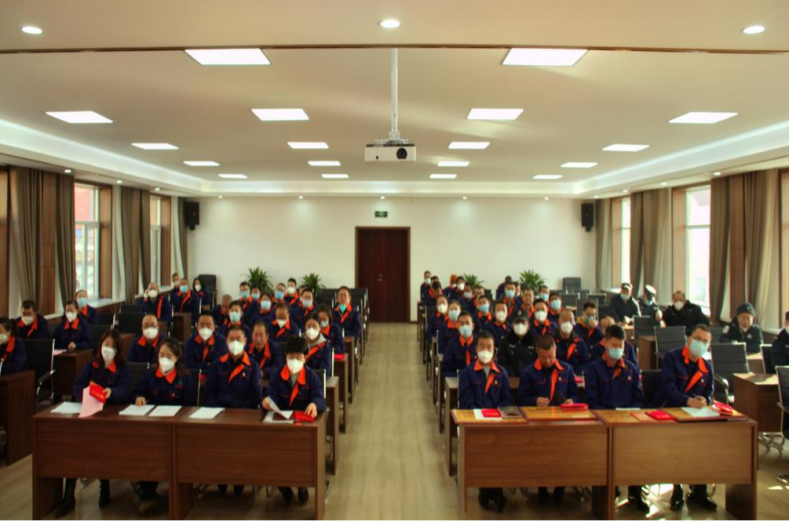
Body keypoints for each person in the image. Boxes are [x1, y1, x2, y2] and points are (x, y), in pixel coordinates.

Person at [57, 329, 130, 518]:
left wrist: (111, 393)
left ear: (118, 349)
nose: (108, 349)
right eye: (106, 345)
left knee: (103, 446)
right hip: (89, 412)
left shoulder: (123, 367)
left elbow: (124, 391)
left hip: (111, 416)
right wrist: (87, 392)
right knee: (73, 446)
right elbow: (77, 385)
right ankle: (68, 494)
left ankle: (104, 485)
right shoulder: (92, 364)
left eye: (112, 346)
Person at [652, 325, 717, 512]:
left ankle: (699, 490)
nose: (701, 343)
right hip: (669, 411)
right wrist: (688, 401)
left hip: (694, 417)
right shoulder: (672, 358)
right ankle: (677, 488)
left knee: (707, 442)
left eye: (705, 341)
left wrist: (705, 400)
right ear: (689, 339)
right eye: (698, 339)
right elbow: (668, 389)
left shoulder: (707, 367)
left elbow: (709, 394)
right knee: (679, 442)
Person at [584, 324, 648, 514]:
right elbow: (591, 402)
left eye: (621, 345)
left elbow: (639, 399)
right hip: (603, 424)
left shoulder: (631, 369)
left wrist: (628, 412)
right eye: (614, 345)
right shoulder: (593, 369)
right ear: (605, 344)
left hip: (628, 423)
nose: (618, 349)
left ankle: (635, 493)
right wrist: (612, 413)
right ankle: (610, 491)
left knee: (638, 451)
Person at [130, 337, 195, 513]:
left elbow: (189, 404)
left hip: (177, 426)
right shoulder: (150, 374)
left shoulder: (184, 377)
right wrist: (138, 397)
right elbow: (137, 392)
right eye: (161, 355)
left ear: (176, 358)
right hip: (153, 426)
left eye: (168, 356)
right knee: (146, 449)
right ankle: (147, 491)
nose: (164, 359)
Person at [262, 336, 326, 506]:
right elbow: (271, 395)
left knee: (301, 452)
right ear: (286, 357)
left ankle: (302, 485)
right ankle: (283, 484)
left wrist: (314, 404)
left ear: (305, 358)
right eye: (291, 357)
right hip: (281, 426)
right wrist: (267, 402)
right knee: (276, 452)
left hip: (302, 427)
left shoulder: (311, 376)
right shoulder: (277, 375)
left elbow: (320, 398)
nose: (294, 361)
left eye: (298, 357)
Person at [517, 334, 579, 504]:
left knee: (564, 455)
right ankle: (542, 487)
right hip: (539, 424)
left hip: (563, 423)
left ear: (555, 351)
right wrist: (534, 401)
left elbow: (575, 393)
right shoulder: (529, 373)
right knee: (542, 456)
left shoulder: (567, 370)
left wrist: (572, 401)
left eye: (551, 356)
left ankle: (560, 487)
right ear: (537, 353)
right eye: (544, 357)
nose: (548, 361)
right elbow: (520, 399)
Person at [457, 331, 511, 513]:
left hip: (497, 424)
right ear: (476, 348)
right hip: (476, 424)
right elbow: (465, 402)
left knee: (499, 452)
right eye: (482, 346)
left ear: (494, 349)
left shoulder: (501, 373)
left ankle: (491, 490)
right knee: (484, 450)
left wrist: (497, 414)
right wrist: (480, 415)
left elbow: (506, 400)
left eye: (489, 347)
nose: (485, 350)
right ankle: (490, 491)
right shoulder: (467, 373)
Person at [204, 326, 262, 409]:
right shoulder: (218, 364)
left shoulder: (253, 366)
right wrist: (216, 410)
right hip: (219, 411)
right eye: (231, 339)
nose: (235, 342)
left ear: (245, 341)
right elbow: (209, 393)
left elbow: (255, 398)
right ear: (227, 342)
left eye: (238, 339)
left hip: (243, 413)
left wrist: (239, 413)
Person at [441, 312, 477, 378]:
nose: (465, 326)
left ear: (473, 326)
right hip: (457, 379)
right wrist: (462, 376)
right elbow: (445, 370)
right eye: (462, 324)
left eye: (467, 323)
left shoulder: (480, 343)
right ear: (457, 326)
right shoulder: (451, 345)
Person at [555, 310, 590, 375]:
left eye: (570, 320)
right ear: (558, 321)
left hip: (575, 375)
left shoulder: (580, 343)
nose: (568, 322)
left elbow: (586, 363)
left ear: (574, 322)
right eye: (565, 319)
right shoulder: (552, 341)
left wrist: (577, 373)